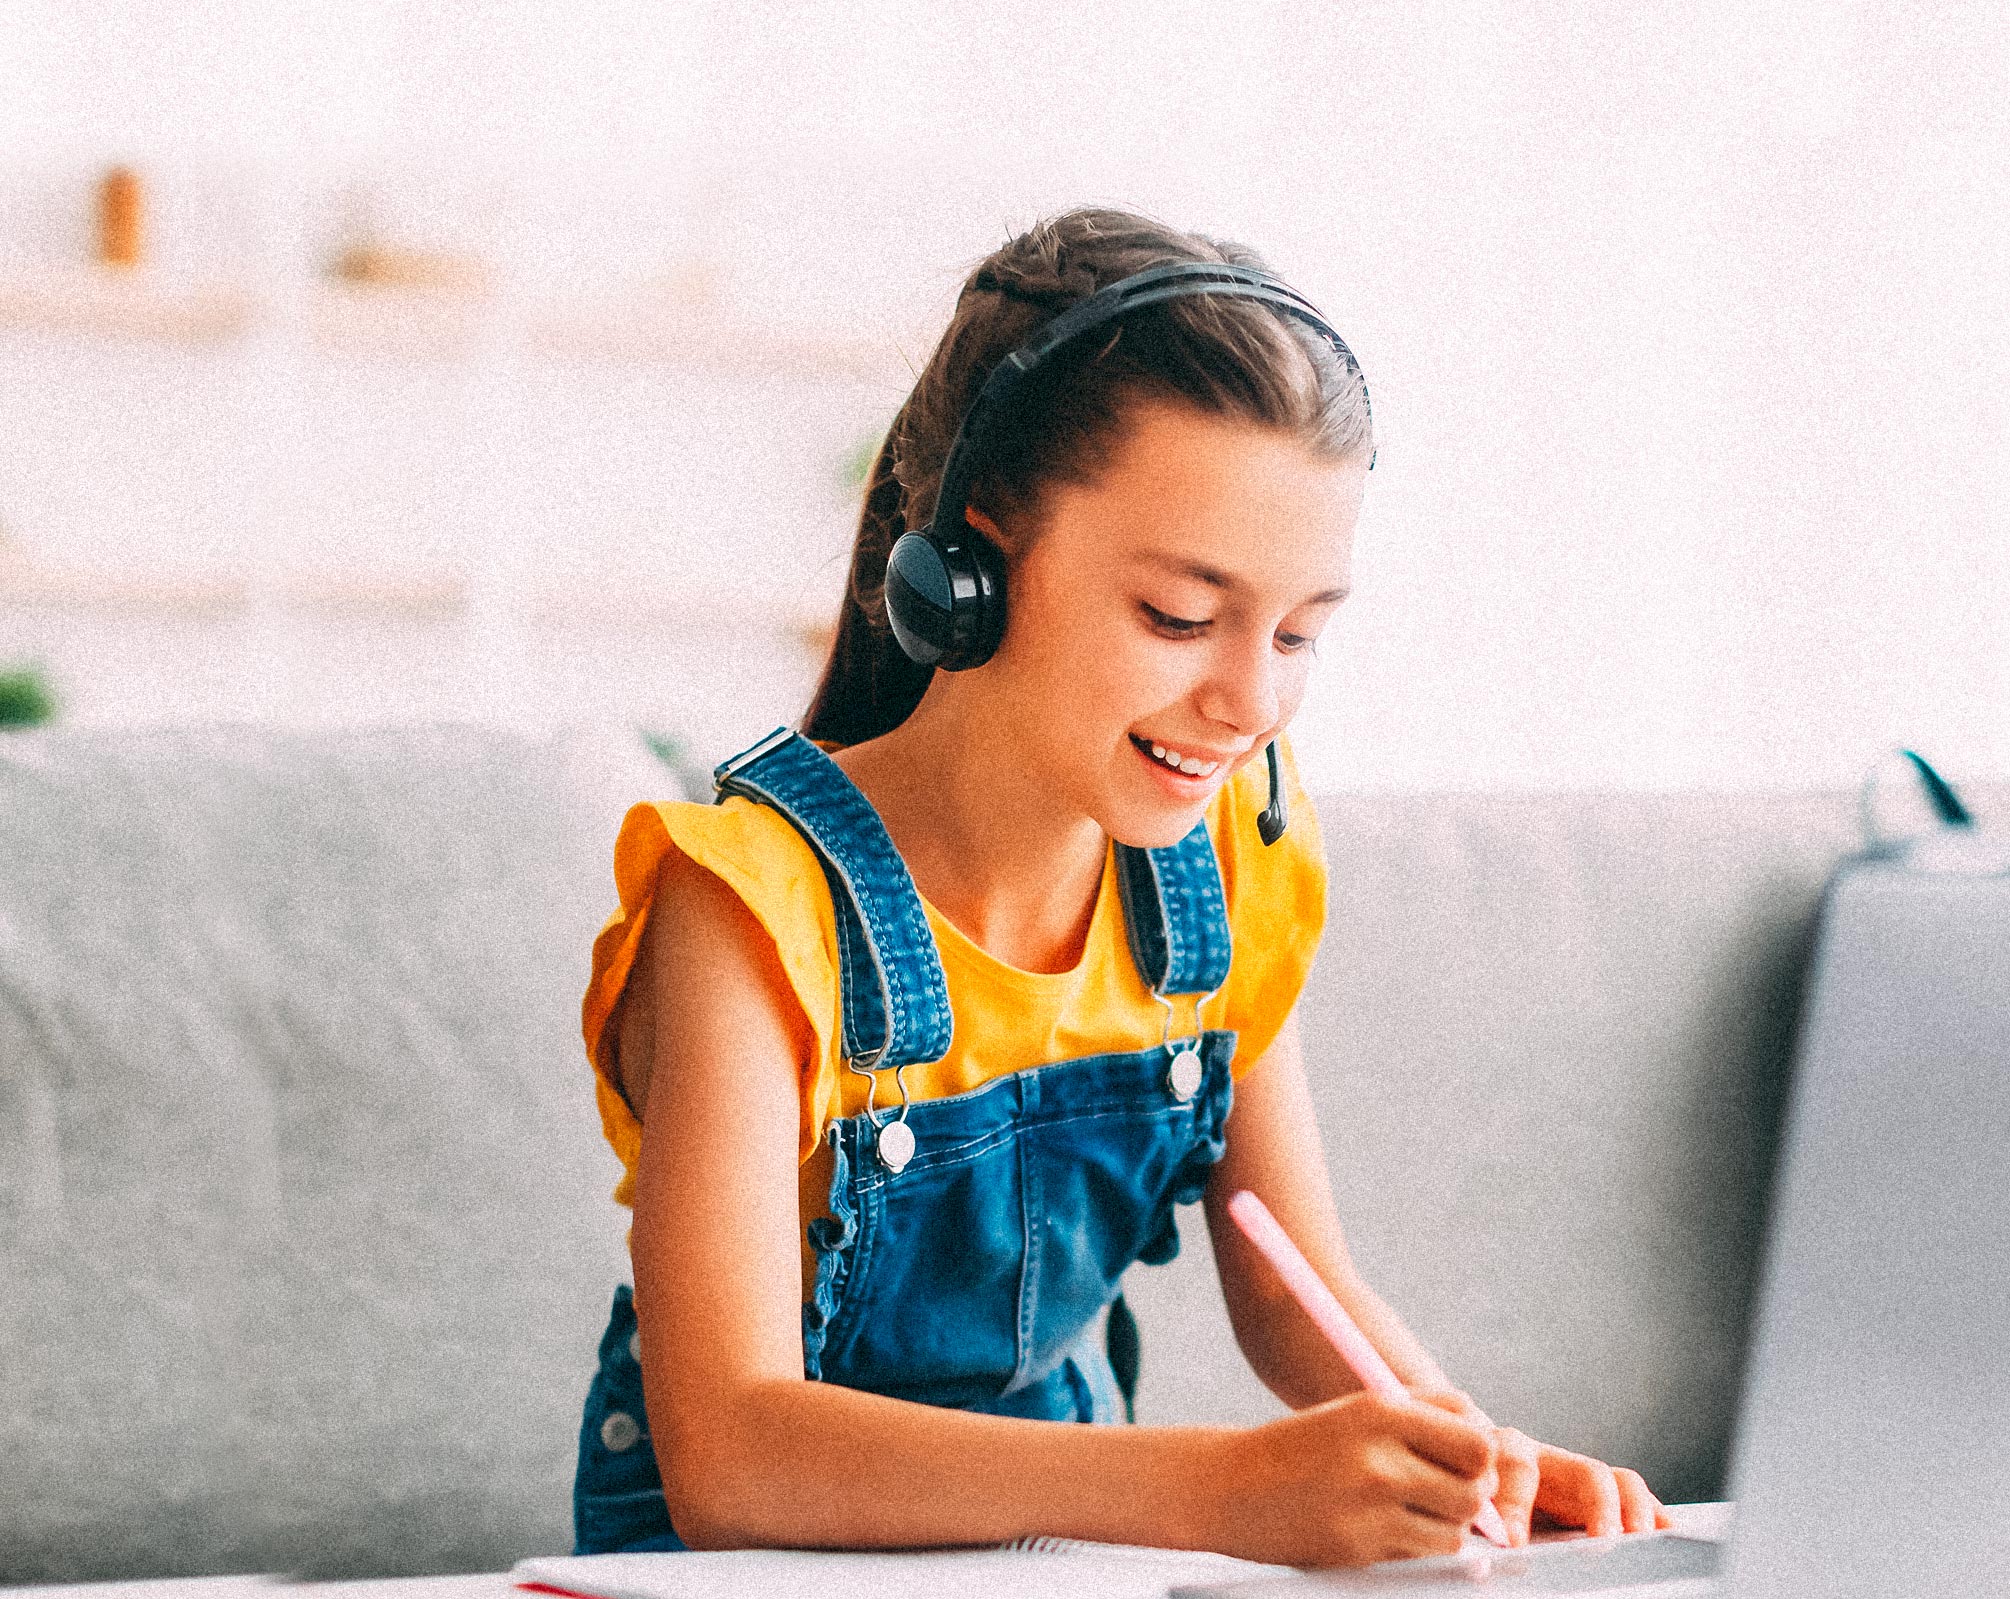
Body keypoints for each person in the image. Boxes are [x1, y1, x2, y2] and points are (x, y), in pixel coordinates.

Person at [570, 206, 1671, 1568]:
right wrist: (1214, 1492)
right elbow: (734, 1460)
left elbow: (1295, 1289)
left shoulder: (1229, 868)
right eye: (1178, 618)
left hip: (1064, 1562)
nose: (1248, 699)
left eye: (1299, 632)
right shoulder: (749, 906)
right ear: (972, 567)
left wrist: (1459, 1452)